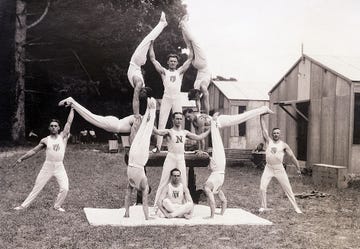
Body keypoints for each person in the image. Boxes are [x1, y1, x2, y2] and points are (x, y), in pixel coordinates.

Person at [12, 107, 74, 212]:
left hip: (59, 166)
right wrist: (21, 159)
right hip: (48, 166)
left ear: (59, 128)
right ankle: (23, 206)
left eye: (55, 126)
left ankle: (57, 206)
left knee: (65, 188)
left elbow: (69, 122)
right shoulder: (45, 140)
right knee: (37, 187)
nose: (53, 127)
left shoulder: (63, 136)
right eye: (51, 126)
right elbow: (34, 151)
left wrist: (73, 108)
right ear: (49, 128)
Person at [153, 112, 211, 207]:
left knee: (183, 182)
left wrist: (210, 129)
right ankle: (156, 206)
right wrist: (151, 121)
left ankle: (186, 205)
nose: (179, 120)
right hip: (171, 157)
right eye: (177, 118)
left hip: (180, 158)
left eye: (180, 119)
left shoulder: (185, 132)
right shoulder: (169, 131)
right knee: (164, 181)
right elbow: (157, 132)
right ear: (173, 120)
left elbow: (199, 137)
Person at [149, 38, 193, 153]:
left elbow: (190, 58)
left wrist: (191, 45)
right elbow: (153, 59)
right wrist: (151, 44)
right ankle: (158, 147)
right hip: (167, 98)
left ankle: (179, 147)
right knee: (162, 122)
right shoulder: (164, 72)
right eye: (171, 61)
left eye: (174, 61)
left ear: (177, 63)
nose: (173, 62)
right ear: (168, 62)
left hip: (177, 98)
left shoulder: (180, 72)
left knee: (178, 121)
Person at [259, 114, 302, 213]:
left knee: (288, 188)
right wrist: (261, 116)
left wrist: (298, 168)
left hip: (279, 169)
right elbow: (263, 128)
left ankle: (296, 207)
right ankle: (263, 206)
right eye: (274, 133)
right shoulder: (268, 141)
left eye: (278, 133)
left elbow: (292, 157)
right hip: (268, 168)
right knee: (262, 187)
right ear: (272, 134)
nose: (276, 134)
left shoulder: (284, 145)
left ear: (280, 134)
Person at [128, 12, 167, 118]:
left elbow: (136, 98)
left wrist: (136, 114)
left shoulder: (139, 85)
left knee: (148, 39)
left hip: (136, 63)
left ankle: (162, 24)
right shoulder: (141, 84)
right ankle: (162, 24)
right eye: (144, 94)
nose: (141, 94)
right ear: (145, 91)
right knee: (148, 39)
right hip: (137, 63)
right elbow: (138, 98)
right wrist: (138, 114)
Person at [183, 105, 273, 151]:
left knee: (243, 117)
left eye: (188, 116)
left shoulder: (199, 119)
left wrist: (201, 151)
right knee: (243, 117)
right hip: (218, 124)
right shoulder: (194, 122)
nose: (187, 119)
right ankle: (263, 109)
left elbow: (202, 137)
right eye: (186, 118)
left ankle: (264, 109)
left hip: (222, 120)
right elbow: (199, 136)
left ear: (192, 113)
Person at [124, 98, 157, 220]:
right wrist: (127, 213)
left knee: (145, 132)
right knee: (142, 133)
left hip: (138, 161)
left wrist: (147, 217)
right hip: (132, 160)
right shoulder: (131, 184)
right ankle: (149, 109)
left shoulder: (143, 185)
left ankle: (150, 109)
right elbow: (128, 197)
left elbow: (144, 200)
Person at [179, 15, 211, 114]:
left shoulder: (198, 87)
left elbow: (202, 100)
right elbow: (204, 99)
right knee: (191, 43)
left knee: (192, 42)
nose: (197, 98)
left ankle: (183, 24)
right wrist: (207, 115)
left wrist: (201, 113)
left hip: (201, 64)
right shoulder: (200, 86)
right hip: (198, 64)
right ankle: (183, 26)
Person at [58, 97, 136, 134]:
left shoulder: (140, 119)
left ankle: (73, 104)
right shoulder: (138, 119)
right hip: (114, 125)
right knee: (90, 117)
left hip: (114, 125)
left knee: (90, 117)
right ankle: (72, 102)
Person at [203, 119, 227, 219]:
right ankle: (214, 123)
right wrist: (213, 216)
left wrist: (215, 215)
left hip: (221, 172)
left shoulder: (213, 189)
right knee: (217, 144)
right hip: (218, 169)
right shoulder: (209, 187)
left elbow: (222, 201)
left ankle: (214, 123)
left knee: (218, 145)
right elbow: (216, 201)